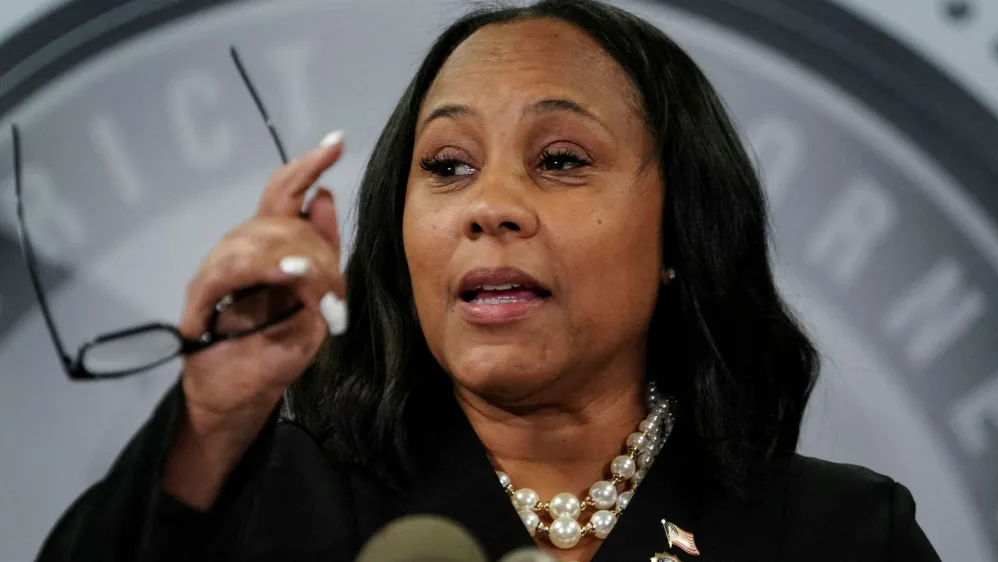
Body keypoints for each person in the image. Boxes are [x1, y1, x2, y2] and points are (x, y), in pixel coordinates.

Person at [36, 1, 941, 561]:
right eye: (449, 167)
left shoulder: (843, 534)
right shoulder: (270, 508)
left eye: (559, 158)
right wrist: (215, 418)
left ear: (679, 229)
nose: (491, 207)